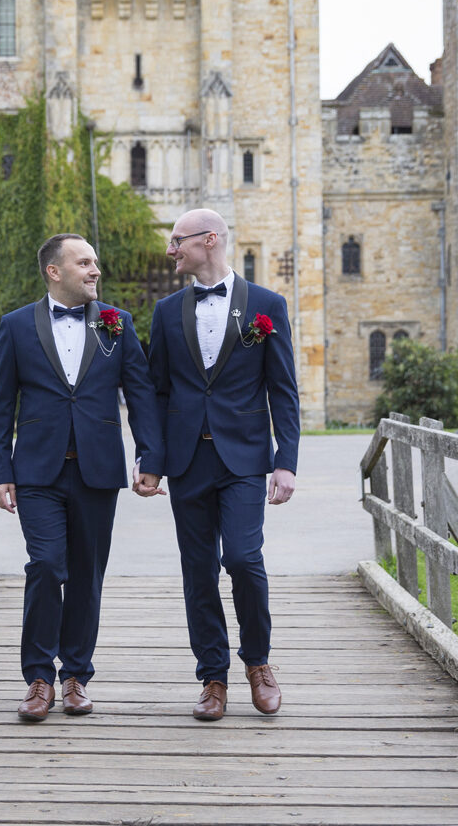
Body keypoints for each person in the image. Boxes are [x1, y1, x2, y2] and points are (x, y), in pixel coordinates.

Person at [0, 233, 163, 720]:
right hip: (37, 471)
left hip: (97, 470)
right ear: (54, 271)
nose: (94, 271)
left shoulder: (117, 324)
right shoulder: (16, 326)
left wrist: (151, 458)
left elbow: (141, 396)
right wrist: (1, 470)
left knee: (86, 575)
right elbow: (0, 407)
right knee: (45, 565)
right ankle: (38, 677)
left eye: (96, 263)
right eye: (84, 263)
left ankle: (76, 677)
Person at [138, 208, 299, 720]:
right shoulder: (165, 312)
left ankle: (258, 662)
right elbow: (158, 393)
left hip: (245, 457)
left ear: (209, 240)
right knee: (198, 570)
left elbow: (284, 390)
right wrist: (152, 460)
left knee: (245, 560)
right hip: (187, 460)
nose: (171, 250)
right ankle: (212, 676)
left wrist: (286, 461)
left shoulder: (267, 306)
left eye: (177, 241)